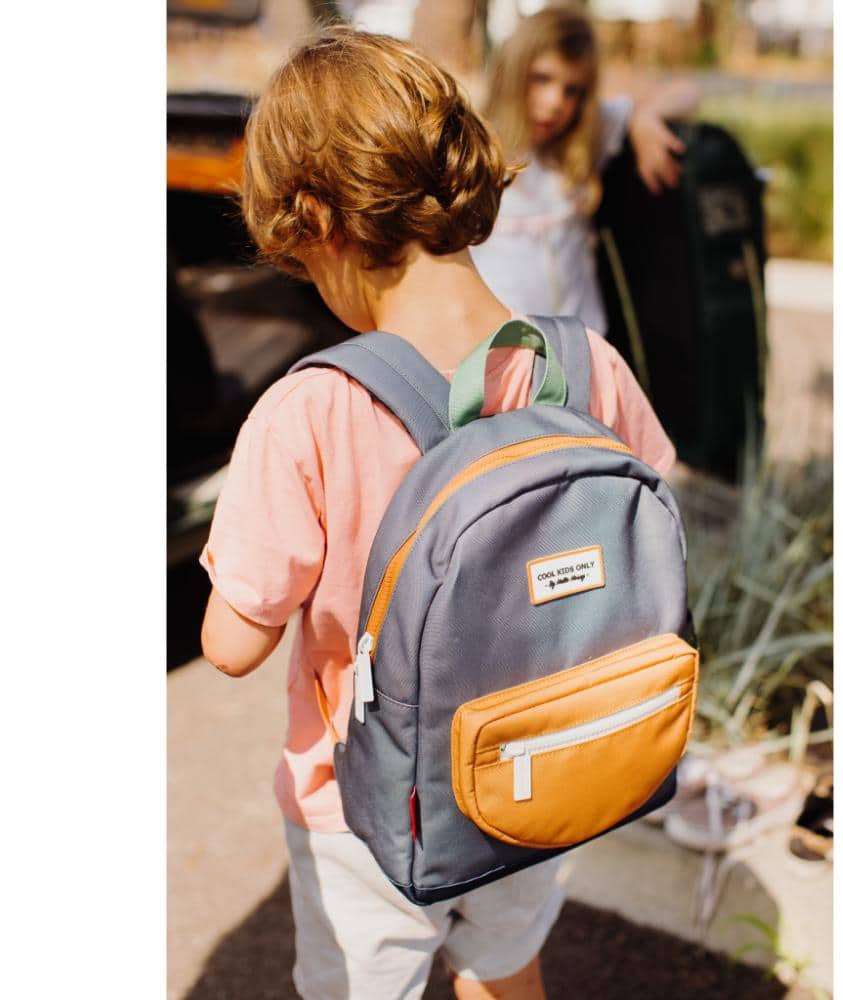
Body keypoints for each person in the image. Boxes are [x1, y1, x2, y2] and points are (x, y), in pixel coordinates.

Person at [199, 25, 677, 1000]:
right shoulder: (587, 363)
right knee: (506, 969)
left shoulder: (313, 408)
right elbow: (654, 505)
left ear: (318, 221)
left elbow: (233, 645)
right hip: (539, 764)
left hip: (369, 811)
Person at [470, 5, 699, 334]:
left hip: (580, 348)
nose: (555, 102)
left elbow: (688, 91)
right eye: (541, 78)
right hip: (499, 351)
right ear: (513, 73)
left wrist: (644, 117)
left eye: (572, 90)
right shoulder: (471, 151)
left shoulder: (585, 139)